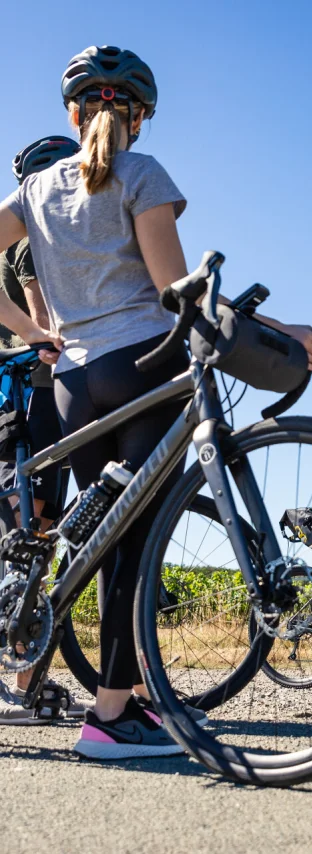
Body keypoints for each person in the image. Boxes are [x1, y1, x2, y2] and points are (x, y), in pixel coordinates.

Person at [0, 44, 312, 758]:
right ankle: (109, 718)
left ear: (72, 111)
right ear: (140, 118)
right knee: (137, 548)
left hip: (74, 385)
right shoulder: (139, 174)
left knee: (112, 543)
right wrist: (281, 330)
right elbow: (176, 294)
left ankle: (136, 703)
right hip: (143, 366)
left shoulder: (34, 189)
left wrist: (35, 332)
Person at [0, 136, 91, 725]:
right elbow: (43, 315)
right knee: (33, 531)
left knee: (32, 535)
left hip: (20, 396)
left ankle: (25, 683)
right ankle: (19, 689)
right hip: (36, 392)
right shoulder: (33, 236)